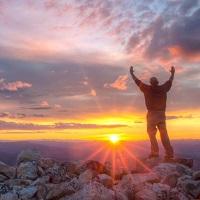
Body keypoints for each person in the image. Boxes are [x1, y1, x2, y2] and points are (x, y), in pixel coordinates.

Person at [130, 66, 175, 161]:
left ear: (150, 83)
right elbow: (170, 81)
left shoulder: (147, 89)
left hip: (151, 114)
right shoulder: (163, 88)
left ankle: (155, 153)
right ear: (157, 82)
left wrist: (132, 73)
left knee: (151, 134)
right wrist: (172, 73)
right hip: (162, 114)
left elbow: (137, 82)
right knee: (164, 134)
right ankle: (169, 154)